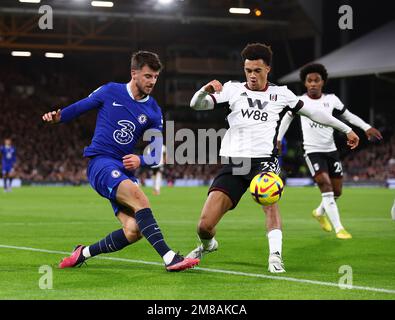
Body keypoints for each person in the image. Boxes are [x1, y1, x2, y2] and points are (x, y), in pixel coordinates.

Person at [186, 43, 360, 273]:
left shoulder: (281, 94)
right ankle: (208, 245)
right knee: (204, 226)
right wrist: (204, 90)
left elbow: (316, 112)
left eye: (257, 70)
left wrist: (346, 129)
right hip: (236, 163)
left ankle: (275, 256)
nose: (252, 75)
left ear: (268, 69)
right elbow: (196, 105)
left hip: (265, 162)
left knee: (270, 205)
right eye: (248, 70)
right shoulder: (232, 89)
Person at [42, 51, 199, 272]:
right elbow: (80, 107)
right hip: (101, 163)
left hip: (124, 169)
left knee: (134, 230)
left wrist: (141, 159)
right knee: (140, 199)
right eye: (147, 76)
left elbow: (155, 154)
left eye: (155, 77)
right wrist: (58, 118)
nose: (152, 81)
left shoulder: (153, 110)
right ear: (134, 73)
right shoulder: (110, 91)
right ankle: (170, 257)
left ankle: (83, 253)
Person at [277, 63, 383, 239]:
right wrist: (279, 139)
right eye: (309, 81)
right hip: (312, 152)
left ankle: (319, 212)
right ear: (304, 83)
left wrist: (366, 127)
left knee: (337, 192)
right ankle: (339, 228)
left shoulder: (332, 100)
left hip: (331, 150)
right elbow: (286, 119)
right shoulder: (299, 102)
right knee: (325, 186)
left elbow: (348, 116)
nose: (312, 84)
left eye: (316, 80)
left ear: (322, 82)